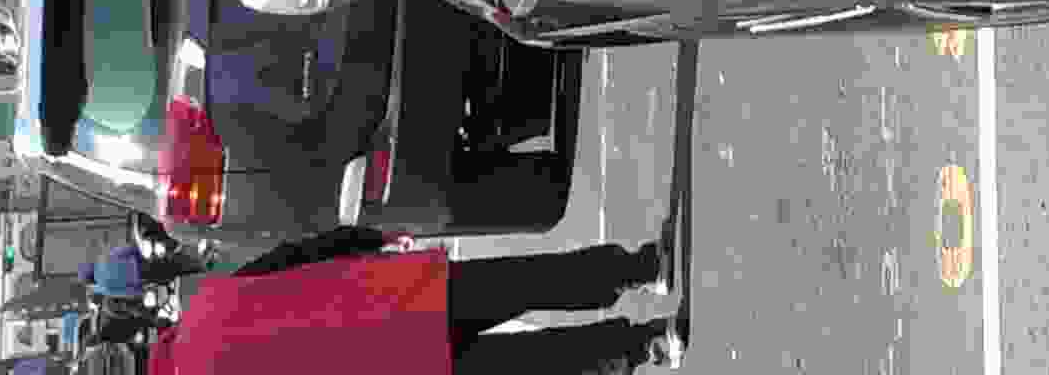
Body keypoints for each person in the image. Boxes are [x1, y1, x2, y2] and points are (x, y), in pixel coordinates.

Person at [146, 224, 680, 373]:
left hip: (403, 367)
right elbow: (296, 256)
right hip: (399, 298)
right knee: (525, 281)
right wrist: (367, 238)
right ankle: (638, 268)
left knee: (535, 362)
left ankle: (646, 344)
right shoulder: (207, 306)